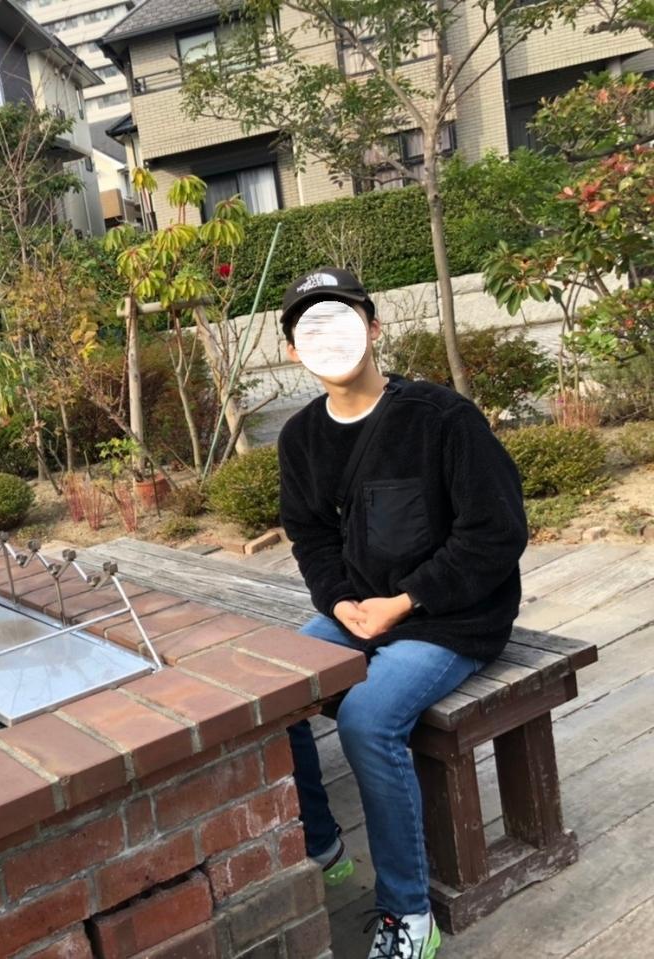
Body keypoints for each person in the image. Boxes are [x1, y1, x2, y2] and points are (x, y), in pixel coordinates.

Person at [275, 268, 528, 959]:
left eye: (342, 318)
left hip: (452, 617)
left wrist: (406, 601)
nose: (329, 337)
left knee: (367, 719)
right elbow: (311, 536)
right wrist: (340, 602)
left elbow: (496, 532)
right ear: (293, 349)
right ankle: (324, 845)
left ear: (374, 327)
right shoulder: (300, 437)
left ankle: (409, 914)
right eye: (309, 327)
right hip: (360, 609)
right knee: (277, 685)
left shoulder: (441, 418)